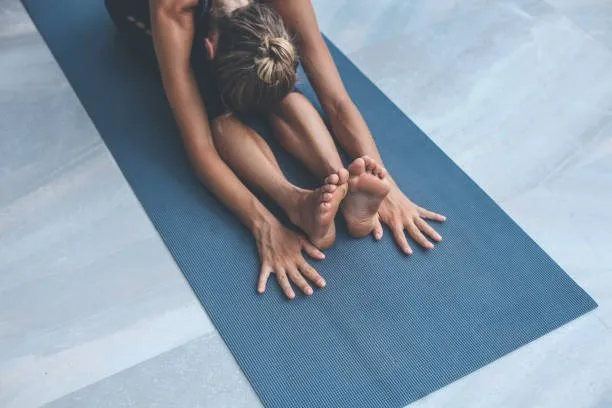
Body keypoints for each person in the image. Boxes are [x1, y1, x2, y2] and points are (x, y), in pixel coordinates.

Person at [104, 0, 446, 299]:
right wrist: (264, 224)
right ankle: (294, 201)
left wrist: (385, 183)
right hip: (138, 17)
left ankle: (341, 180)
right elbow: (201, 147)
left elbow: (336, 101)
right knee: (217, 113)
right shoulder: (174, 10)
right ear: (210, 48)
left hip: (232, 32)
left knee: (275, 89)